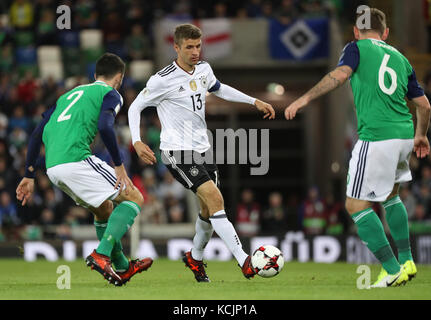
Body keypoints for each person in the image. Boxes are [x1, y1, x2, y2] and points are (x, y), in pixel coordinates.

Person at [284, 8, 430, 287]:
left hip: (376, 136)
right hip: (404, 135)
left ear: (355, 31)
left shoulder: (355, 48)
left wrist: (305, 98)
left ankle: (391, 268)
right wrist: (421, 135)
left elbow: (339, 75)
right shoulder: (401, 59)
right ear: (385, 33)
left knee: (354, 205)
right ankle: (408, 260)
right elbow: (424, 105)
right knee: (390, 196)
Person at [128, 23, 275, 282]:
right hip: (177, 151)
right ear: (176, 47)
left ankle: (195, 258)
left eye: (198, 46)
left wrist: (254, 100)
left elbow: (218, 88)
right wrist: (137, 141)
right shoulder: (162, 79)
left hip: (203, 149)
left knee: (208, 211)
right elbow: (135, 107)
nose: (195, 51)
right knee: (216, 199)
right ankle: (245, 261)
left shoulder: (204, 69)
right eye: (189, 47)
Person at [15, 53, 152, 286]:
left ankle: (122, 267)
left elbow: (37, 133)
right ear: (119, 78)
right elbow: (105, 126)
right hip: (76, 159)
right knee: (134, 197)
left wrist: (29, 175)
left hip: (53, 168)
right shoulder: (111, 93)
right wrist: (119, 165)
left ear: (94, 75)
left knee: (103, 209)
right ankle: (102, 253)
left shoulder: (66, 96)